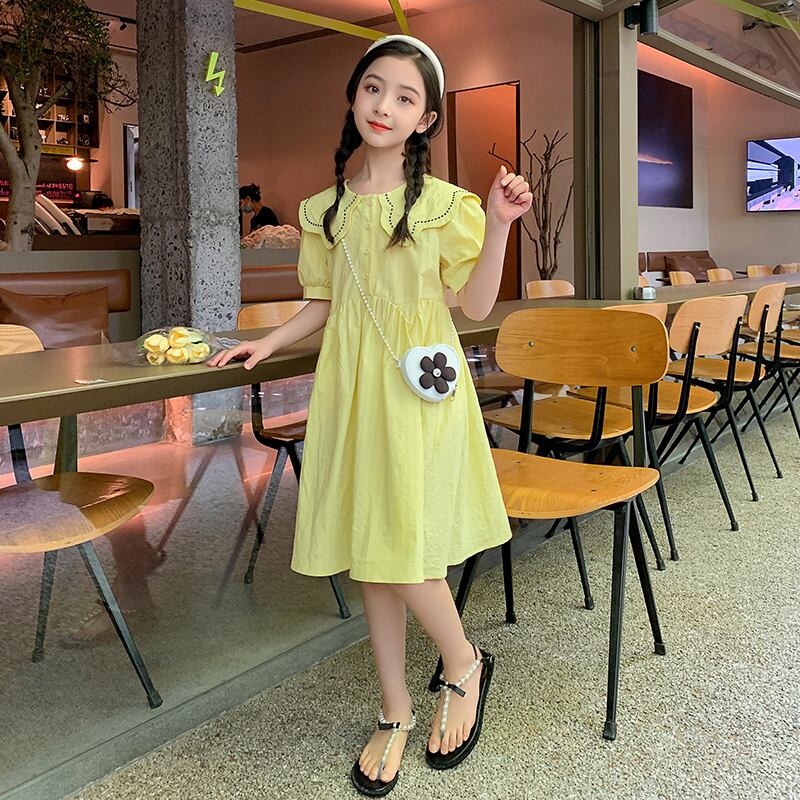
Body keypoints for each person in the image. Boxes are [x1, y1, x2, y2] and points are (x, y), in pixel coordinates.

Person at [210, 35, 531, 796]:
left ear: (426, 120)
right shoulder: (323, 210)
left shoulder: (447, 205)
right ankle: (394, 707)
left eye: (406, 97)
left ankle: (462, 662)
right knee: (371, 551)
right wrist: (266, 342)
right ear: (354, 96)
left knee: (403, 548)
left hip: (420, 394)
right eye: (374, 88)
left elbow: (475, 305)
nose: (385, 106)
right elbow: (322, 303)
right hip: (352, 391)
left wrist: (500, 224)